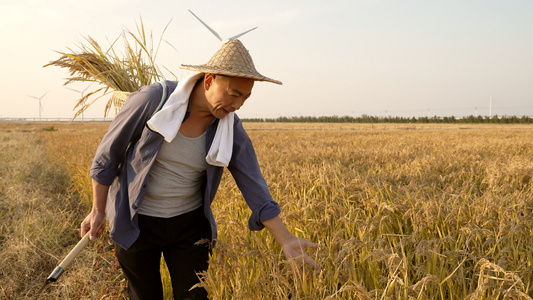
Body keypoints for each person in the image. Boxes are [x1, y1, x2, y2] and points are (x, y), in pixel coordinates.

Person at [80, 38, 319, 299]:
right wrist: (98, 210)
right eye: (234, 94)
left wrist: (286, 239)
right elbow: (107, 155)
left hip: (189, 226)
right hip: (137, 223)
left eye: (246, 97)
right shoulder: (153, 100)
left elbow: (252, 181)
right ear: (209, 81)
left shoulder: (229, 125)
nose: (238, 105)